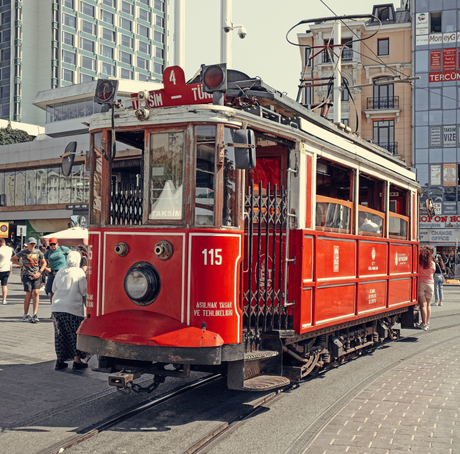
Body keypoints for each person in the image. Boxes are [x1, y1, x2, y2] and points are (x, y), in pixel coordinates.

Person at [51, 251, 88, 370]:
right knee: (74, 335)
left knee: (60, 334)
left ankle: (60, 361)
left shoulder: (61, 271)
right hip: (73, 308)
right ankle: (77, 361)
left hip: (57, 308)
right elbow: (84, 291)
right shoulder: (79, 272)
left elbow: (53, 288)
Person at [11, 237, 46, 323]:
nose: (33, 245)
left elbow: (44, 262)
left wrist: (40, 272)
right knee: (29, 294)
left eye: (34, 243)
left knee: (36, 293)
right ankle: (26, 314)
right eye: (31, 243)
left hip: (37, 275)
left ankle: (35, 314)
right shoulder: (23, 252)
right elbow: (13, 259)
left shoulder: (38, 252)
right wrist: (21, 265)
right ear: (28, 244)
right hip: (27, 275)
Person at [44, 238, 70, 303]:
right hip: (52, 272)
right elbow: (42, 261)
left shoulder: (63, 249)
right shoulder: (47, 252)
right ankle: (53, 305)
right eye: (51, 244)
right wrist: (45, 268)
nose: (53, 246)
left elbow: (72, 255)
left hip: (62, 272)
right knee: (51, 290)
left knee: (62, 289)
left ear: (57, 243)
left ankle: (62, 303)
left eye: (54, 244)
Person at [418, 245, 436, 331]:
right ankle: (427, 323)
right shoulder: (433, 264)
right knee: (428, 305)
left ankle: (423, 323)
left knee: (423, 305)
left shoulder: (419, 263)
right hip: (430, 285)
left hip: (421, 284)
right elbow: (433, 273)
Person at [0, 238, 13, 304]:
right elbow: (10, 260)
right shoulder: (10, 249)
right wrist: (11, 269)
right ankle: (4, 300)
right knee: (4, 285)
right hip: (6, 269)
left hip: (0, 268)